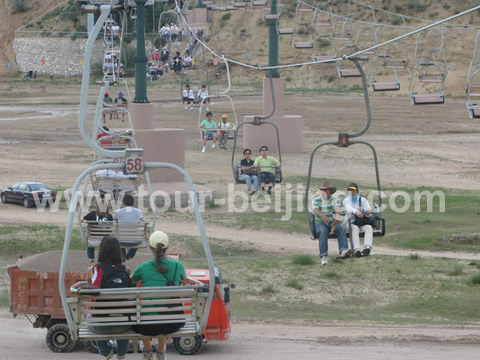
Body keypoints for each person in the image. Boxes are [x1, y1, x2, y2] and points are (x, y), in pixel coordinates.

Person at [132, 231, 186, 360]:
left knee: (146, 315)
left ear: (150, 248)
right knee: (164, 312)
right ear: (167, 247)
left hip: (146, 325)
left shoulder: (142, 268)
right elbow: (184, 278)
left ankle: (147, 350)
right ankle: (161, 351)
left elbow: (132, 279)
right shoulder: (178, 266)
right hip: (172, 322)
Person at [85, 236, 132, 360]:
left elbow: (89, 285)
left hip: (99, 325)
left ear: (101, 251)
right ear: (118, 251)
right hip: (122, 325)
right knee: (125, 315)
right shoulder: (126, 270)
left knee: (91, 315)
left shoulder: (92, 270)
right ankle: (121, 352)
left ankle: (106, 351)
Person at [312, 181, 351, 266]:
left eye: (326, 190)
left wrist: (337, 217)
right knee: (323, 231)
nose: (324, 192)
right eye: (323, 190)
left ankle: (343, 250)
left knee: (340, 228)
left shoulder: (335, 199)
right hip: (320, 222)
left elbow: (337, 207)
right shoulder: (316, 200)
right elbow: (315, 209)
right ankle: (323, 255)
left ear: (330, 191)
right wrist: (322, 216)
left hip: (331, 221)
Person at [343, 183, 373, 257]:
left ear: (357, 191)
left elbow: (367, 209)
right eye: (350, 191)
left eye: (353, 190)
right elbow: (349, 208)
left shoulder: (363, 200)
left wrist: (367, 212)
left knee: (369, 227)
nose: (351, 192)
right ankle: (357, 249)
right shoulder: (346, 201)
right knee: (355, 228)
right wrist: (356, 212)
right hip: (349, 223)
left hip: (360, 222)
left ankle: (367, 247)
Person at [113, 194, 144, 260]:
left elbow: (113, 218)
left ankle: (123, 255)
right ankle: (129, 255)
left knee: (119, 236)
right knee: (139, 235)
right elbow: (142, 219)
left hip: (122, 240)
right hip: (135, 241)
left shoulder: (118, 211)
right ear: (133, 203)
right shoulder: (138, 211)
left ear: (123, 203)